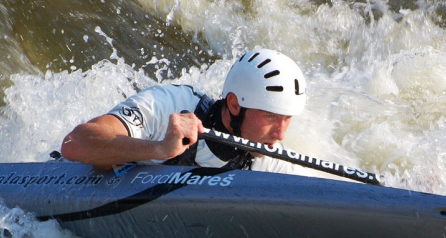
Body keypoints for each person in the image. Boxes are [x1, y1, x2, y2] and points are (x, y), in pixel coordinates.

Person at [60, 49, 308, 173]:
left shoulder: (267, 154)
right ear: (234, 104)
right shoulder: (168, 105)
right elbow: (74, 143)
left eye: (287, 119)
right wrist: (158, 148)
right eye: (270, 116)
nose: (280, 134)